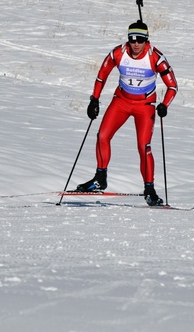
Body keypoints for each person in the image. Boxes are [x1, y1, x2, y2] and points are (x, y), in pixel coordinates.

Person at [75, 20, 178, 206]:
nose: (136, 43)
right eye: (132, 39)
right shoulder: (119, 53)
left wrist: (164, 105)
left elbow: (172, 86)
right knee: (102, 136)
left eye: (140, 39)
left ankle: (149, 189)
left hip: (145, 106)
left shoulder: (155, 57)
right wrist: (94, 99)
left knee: (143, 146)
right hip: (121, 101)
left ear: (146, 40)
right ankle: (100, 178)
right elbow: (102, 74)